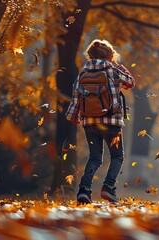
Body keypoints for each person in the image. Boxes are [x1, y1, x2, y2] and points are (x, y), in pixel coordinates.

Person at [66, 39, 135, 204]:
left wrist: (73, 116)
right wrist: (117, 66)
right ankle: (108, 187)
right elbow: (131, 82)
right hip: (111, 122)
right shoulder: (113, 71)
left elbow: (76, 98)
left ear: (89, 56)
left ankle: (84, 190)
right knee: (117, 156)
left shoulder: (82, 74)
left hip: (89, 123)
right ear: (111, 56)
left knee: (95, 158)